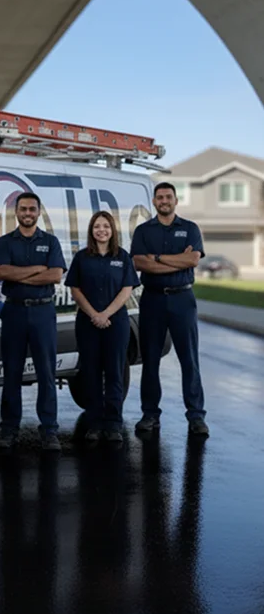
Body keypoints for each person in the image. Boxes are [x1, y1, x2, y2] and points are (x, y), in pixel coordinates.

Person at [130, 182, 209, 437]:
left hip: (182, 299)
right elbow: (140, 263)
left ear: (176, 201)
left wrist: (158, 258)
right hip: (152, 300)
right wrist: (176, 260)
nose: (164, 201)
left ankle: (196, 416)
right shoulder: (143, 230)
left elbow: (193, 259)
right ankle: (150, 415)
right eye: (160, 197)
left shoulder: (190, 228)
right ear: (154, 202)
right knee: (150, 360)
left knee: (189, 359)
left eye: (168, 197)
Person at [0, 192, 67, 451]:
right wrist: (38, 269)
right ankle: (9, 429)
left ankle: (49, 430)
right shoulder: (5, 242)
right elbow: (2, 271)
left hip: (43, 312)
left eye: (32, 209)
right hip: (13, 312)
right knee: (11, 372)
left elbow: (56, 274)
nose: (27, 213)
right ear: (16, 212)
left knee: (46, 373)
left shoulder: (50, 241)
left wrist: (20, 274)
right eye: (23, 209)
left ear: (38, 212)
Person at [65, 211, 140, 445]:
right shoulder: (82, 258)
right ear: (91, 230)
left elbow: (127, 289)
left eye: (106, 226)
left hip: (115, 323)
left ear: (112, 230)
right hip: (87, 322)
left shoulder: (122, 257)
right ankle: (95, 423)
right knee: (91, 373)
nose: (101, 230)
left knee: (115, 372)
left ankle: (114, 424)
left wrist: (105, 314)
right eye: (97, 226)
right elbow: (75, 289)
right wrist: (94, 314)